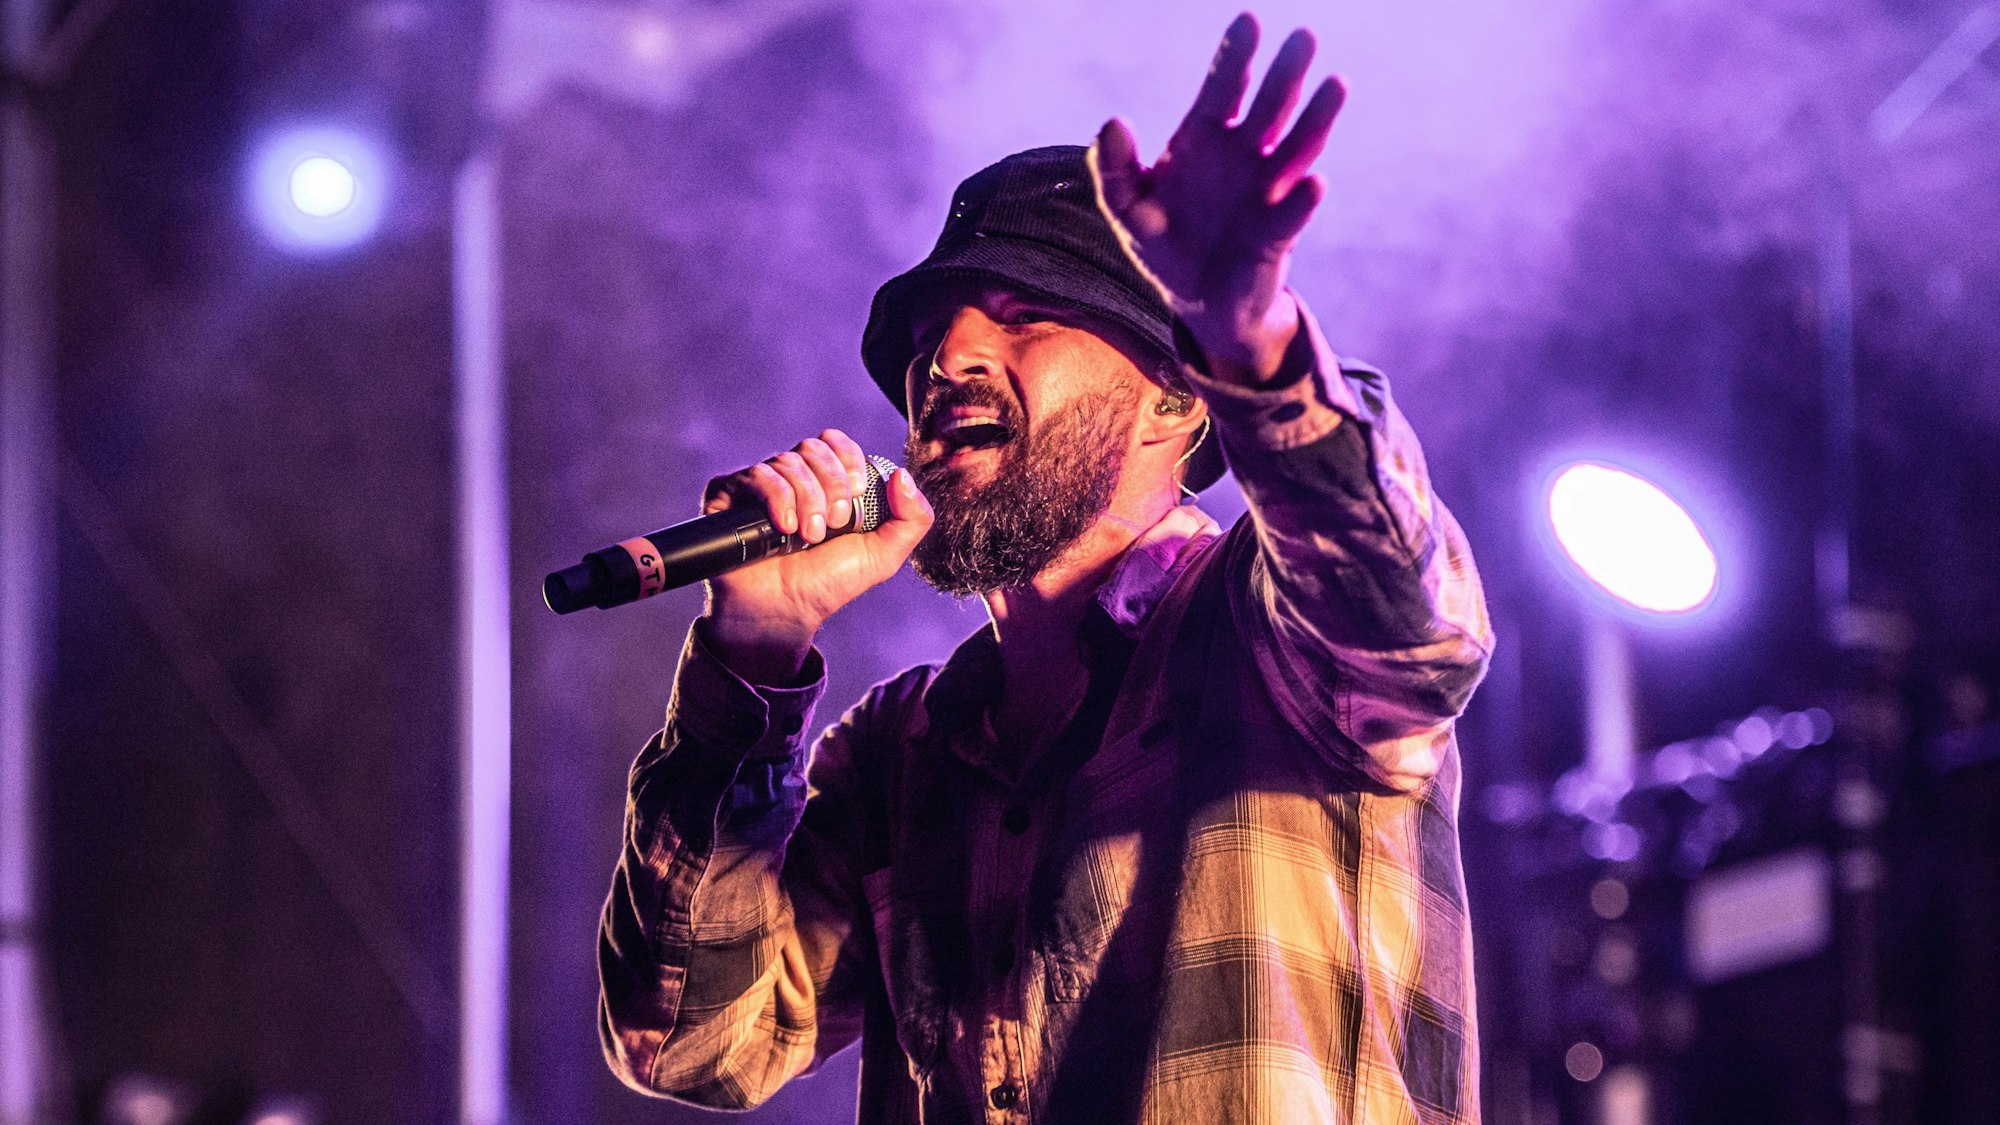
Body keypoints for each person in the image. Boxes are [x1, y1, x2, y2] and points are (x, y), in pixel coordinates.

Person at [598, 13, 1492, 1123]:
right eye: (933, 330)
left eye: (1023, 317)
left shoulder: (1268, 636)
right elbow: (686, 1041)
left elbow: (1405, 618)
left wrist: (1252, 339)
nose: (950, 357)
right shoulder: (897, 756)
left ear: (1177, 394)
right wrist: (754, 652)